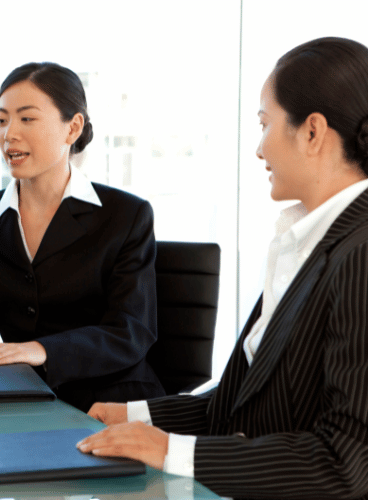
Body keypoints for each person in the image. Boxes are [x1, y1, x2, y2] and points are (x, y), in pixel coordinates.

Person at [77, 37, 368, 499]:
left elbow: (346, 462)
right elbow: (247, 402)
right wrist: (137, 418)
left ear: (312, 132)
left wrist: (173, 450)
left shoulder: (360, 255)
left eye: (264, 124)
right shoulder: (305, 242)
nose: (259, 149)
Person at [0, 62, 165, 412]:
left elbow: (131, 331)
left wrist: (41, 350)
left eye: (27, 119)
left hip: (113, 402)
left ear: (72, 127)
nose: (9, 134)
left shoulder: (125, 215)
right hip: (18, 405)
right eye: (1, 120)